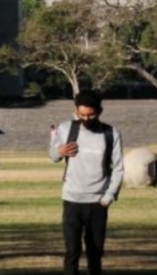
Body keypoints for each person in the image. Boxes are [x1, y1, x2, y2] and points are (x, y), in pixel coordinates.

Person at [49, 90, 124, 275]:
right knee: (72, 252)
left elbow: (119, 168)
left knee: (95, 253)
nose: (86, 118)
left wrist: (108, 197)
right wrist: (59, 151)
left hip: (98, 203)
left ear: (100, 110)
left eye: (91, 114)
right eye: (82, 114)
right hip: (72, 201)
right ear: (76, 110)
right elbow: (53, 156)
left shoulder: (111, 134)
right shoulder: (67, 128)